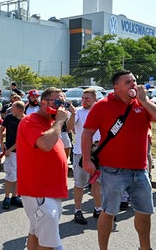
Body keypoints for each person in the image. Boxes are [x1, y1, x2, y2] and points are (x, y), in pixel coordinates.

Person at [82, 70, 156, 250]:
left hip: (140, 170)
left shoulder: (142, 103)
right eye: (128, 82)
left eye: (134, 80)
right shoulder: (103, 105)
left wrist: (145, 101)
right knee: (108, 213)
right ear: (117, 88)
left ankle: (145, 248)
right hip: (112, 170)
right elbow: (87, 133)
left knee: (145, 212)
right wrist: (86, 159)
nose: (134, 84)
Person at [17, 87, 69, 250]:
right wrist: (60, 120)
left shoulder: (51, 123)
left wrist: (59, 120)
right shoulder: (31, 121)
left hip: (49, 190)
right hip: (39, 191)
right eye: (59, 102)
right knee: (51, 245)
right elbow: (45, 144)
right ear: (44, 102)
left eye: (64, 103)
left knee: (36, 233)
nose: (62, 107)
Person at [68, 88, 102, 224]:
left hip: (98, 153)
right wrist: (71, 114)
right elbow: (70, 127)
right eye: (83, 98)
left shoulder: (100, 112)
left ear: (95, 99)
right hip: (80, 153)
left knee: (97, 182)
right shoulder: (78, 112)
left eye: (87, 98)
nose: (84, 100)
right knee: (80, 184)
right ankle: (77, 210)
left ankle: (98, 208)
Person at [0, 100, 25, 210]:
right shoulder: (9, 117)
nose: (11, 110)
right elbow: (1, 129)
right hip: (10, 153)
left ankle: (15, 197)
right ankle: (6, 198)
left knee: (19, 175)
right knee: (10, 175)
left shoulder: (25, 120)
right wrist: (1, 143)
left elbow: (22, 139)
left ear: (20, 110)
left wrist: (10, 149)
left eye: (13, 108)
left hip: (21, 152)